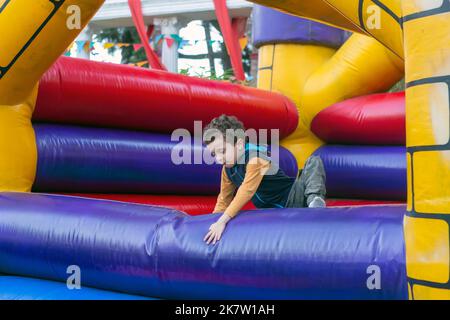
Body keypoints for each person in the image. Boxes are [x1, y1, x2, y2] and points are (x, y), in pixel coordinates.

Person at [203, 114, 326, 245]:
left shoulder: (255, 158)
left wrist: (222, 221)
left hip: (296, 196)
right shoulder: (228, 169)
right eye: (214, 154)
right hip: (274, 211)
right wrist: (213, 221)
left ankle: (314, 200)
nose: (219, 158)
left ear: (239, 144)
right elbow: (224, 198)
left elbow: (246, 191)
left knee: (314, 161)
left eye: (222, 151)